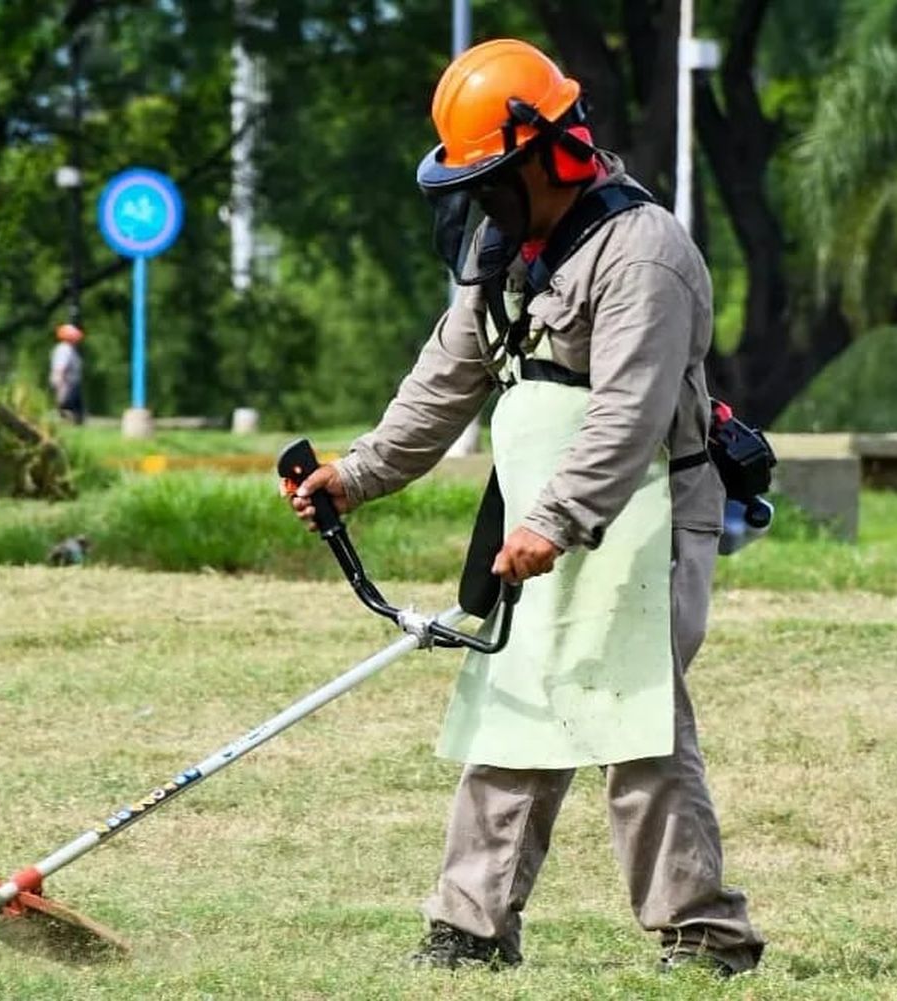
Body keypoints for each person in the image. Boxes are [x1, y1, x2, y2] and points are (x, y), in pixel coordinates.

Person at [287, 39, 764, 978]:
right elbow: (446, 380)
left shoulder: (644, 252)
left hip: (646, 518)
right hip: (542, 525)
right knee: (511, 706)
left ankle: (705, 933)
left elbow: (628, 413)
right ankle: (470, 928)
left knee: (631, 719)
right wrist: (358, 472)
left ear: (552, 154)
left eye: (495, 178)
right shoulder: (503, 250)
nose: (482, 200)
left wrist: (556, 520)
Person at [50, 323, 86, 425]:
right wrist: (61, 384)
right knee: (68, 406)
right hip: (67, 383)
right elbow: (61, 368)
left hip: (71, 383)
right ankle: (66, 423)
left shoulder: (69, 349)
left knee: (76, 408)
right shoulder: (65, 349)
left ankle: (74, 423)